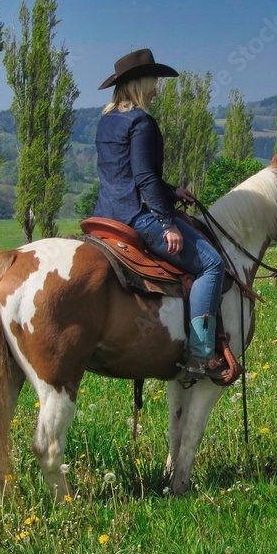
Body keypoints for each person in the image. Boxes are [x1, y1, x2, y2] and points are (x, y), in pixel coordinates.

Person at [94, 48, 231, 381]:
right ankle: (200, 355)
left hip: (105, 217)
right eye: (154, 82)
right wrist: (167, 223)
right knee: (212, 264)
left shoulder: (106, 120)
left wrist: (172, 192)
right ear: (141, 83)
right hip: (139, 218)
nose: (156, 89)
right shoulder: (141, 121)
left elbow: (124, 173)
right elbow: (142, 178)